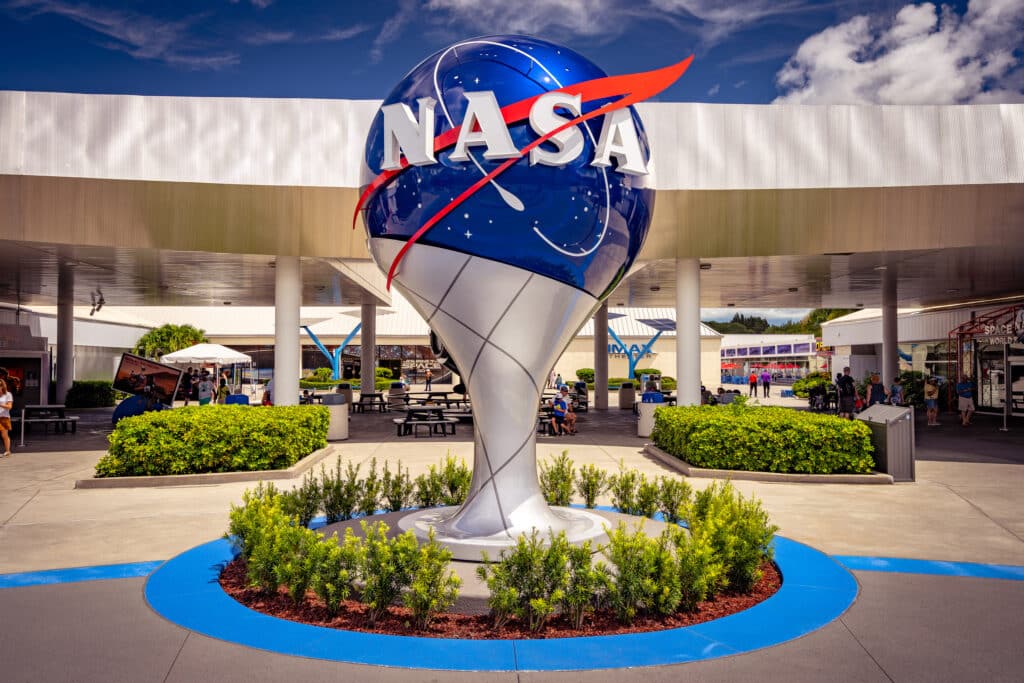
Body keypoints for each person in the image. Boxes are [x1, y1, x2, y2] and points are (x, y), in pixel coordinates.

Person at [0, 378, 13, 457]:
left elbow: (9, 406)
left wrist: (0, 405)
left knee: (4, 435)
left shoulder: (8, 394)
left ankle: (8, 451)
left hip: (4, 417)